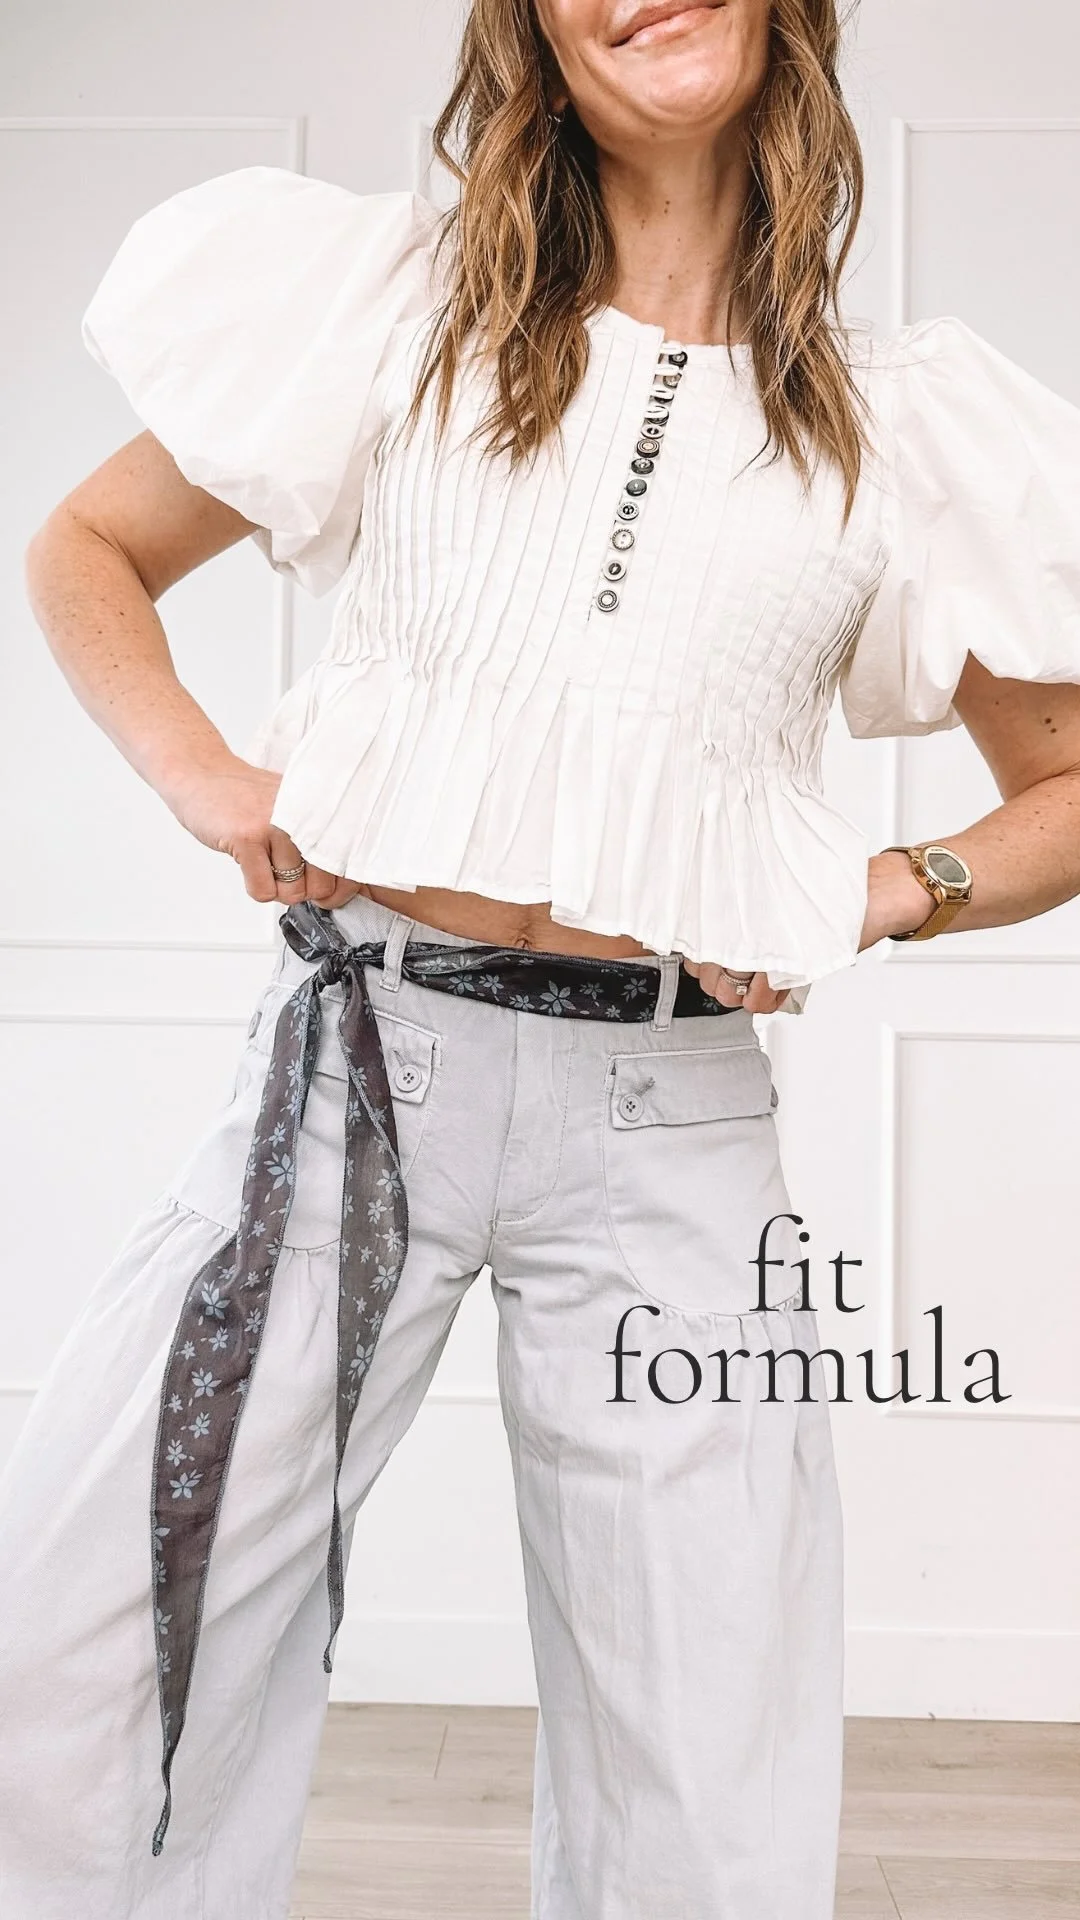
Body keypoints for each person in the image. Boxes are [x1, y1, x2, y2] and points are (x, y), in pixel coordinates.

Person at [4, 1, 1080, 1915]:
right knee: (112, 1627)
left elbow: (1062, 785)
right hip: (359, 1071)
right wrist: (205, 780)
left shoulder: (902, 422)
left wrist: (889, 885)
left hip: (671, 1121)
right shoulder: (398, 314)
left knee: (707, 1732)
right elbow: (89, 545)